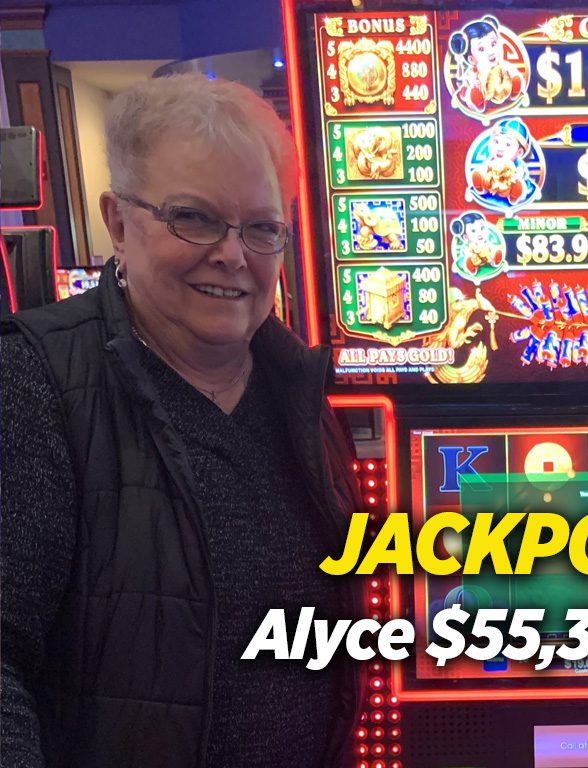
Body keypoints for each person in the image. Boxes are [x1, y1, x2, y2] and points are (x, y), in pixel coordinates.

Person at [1, 74, 362, 768]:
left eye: (261, 228)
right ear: (117, 221)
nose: (233, 254)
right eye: (194, 217)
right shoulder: (37, 383)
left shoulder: (300, 394)